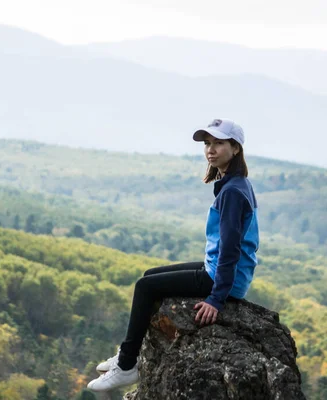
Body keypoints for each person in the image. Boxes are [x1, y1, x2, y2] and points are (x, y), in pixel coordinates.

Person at [87, 118, 260, 392]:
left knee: (145, 287)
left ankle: (128, 365)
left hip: (223, 277)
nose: (210, 150)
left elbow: (231, 248)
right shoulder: (233, 184)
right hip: (218, 269)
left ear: (235, 148)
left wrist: (217, 298)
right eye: (207, 143)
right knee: (150, 276)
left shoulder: (234, 192)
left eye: (218, 143)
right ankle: (127, 354)